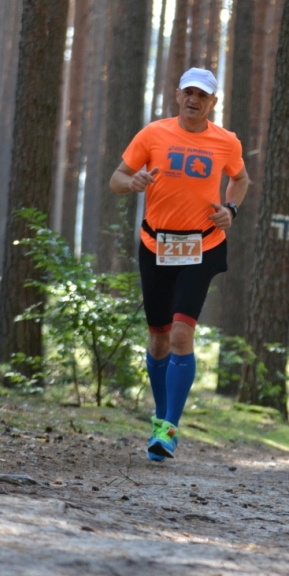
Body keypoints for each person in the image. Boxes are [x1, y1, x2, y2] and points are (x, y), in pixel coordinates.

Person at [109, 67, 250, 462]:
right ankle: (161, 417)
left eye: (202, 95)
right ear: (177, 95)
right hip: (156, 245)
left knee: (182, 336)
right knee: (158, 338)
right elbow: (116, 179)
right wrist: (132, 182)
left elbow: (241, 179)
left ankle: (168, 429)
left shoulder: (226, 141)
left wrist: (231, 209)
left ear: (213, 102)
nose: (194, 100)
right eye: (188, 93)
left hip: (202, 246)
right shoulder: (153, 134)